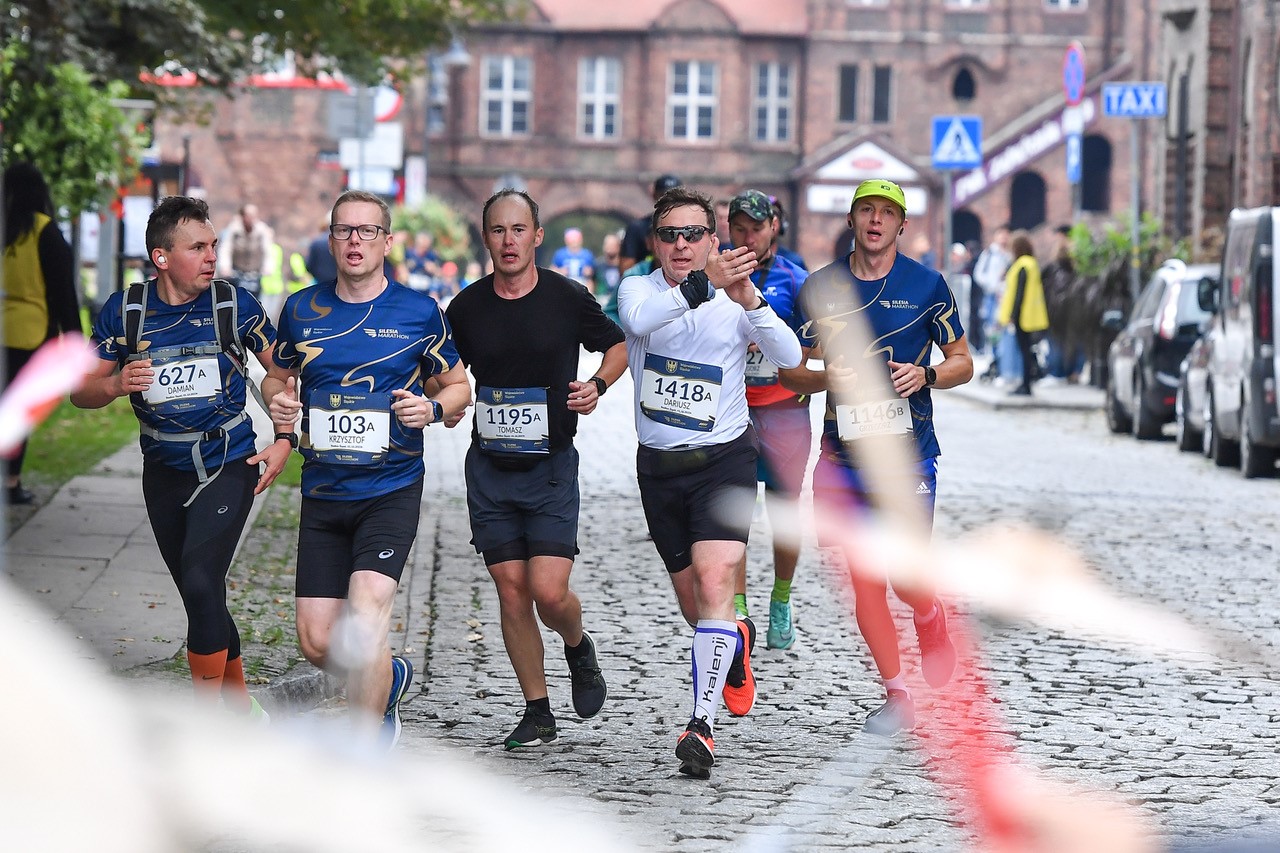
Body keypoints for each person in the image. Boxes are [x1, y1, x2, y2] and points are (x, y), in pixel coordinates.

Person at [263, 190, 471, 750]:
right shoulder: (302, 309)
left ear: (386, 241)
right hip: (324, 490)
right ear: (330, 240)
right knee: (316, 640)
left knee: (366, 612)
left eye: (366, 231)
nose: (355, 241)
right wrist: (278, 406)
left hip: (390, 486)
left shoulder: (419, 311)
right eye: (344, 231)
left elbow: (459, 388)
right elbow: (275, 379)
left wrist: (430, 408)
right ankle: (390, 677)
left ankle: (362, 763)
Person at [71, 195, 291, 717]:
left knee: (198, 580)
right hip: (163, 470)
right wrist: (117, 383)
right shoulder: (125, 311)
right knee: (203, 592)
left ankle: (210, 727)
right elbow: (79, 391)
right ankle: (241, 715)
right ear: (162, 257)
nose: (213, 255)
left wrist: (284, 428)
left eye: (214, 244)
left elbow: (280, 369)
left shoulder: (232, 305)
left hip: (228, 461)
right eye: (198, 247)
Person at [617, 186, 802, 779]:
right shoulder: (638, 291)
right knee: (697, 608)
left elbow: (789, 353)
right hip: (660, 470)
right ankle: (735, 643)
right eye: (669, 234)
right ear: (655, 243)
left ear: (712, 241)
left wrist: (747, 297)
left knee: (717, 575)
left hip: (724, 461)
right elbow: (641, 321)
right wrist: (706, 285)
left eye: (693, 234)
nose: (681, 244)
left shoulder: (735, 299)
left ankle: (701, 724)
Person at [779, 178, 971, 737]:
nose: (876, 221)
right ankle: (897, 693)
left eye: (887, 212)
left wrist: (927, 373)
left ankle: (929, 615)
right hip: (842, 457)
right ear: (852, 219)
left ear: (902, 225)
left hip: (908, 455)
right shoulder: (820, 287)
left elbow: (963, 360)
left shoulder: (927, 285)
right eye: (867, 210)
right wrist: (821, 376)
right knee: (865, 580)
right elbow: (792, 370)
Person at [445, 189, 627, 750]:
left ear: (537, 235)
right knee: (510, 590)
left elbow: (616, 346)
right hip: (490, 468)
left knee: (549, 591)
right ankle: (537, 709)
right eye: (497, 230)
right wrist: (446, 396)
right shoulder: (467, 307)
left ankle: (577, 645)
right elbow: (443, 371)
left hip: (549, 465)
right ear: (486, 238)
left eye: (518, 229)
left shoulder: (567, 298)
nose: (508, 240)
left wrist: (596, 386)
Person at [725, 189, 811, 649]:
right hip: (734, 413)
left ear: (773, 226)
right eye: (738, 228)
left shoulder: (797, 281)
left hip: (785, 415)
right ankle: (739, 612)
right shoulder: (714, 277)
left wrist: (777, 342)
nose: (746, 236)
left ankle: (780, 598)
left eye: (755, 228)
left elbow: (817, 349)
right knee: (732, 516)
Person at [2, 162, 82, 504]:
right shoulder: (44, 231)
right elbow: (62, 291)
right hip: (30, 333)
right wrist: (76, 339)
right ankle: (11, 483)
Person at [997, 230, 1049, 397]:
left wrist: (1013, 314)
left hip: (1022, 315)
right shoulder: (1030, 263)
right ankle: (1026, 383)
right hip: (1028, 314)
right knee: (1026, 350)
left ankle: (1025, 384)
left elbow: (1019, 293)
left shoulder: (1022, 265)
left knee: (1024, 351)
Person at [1040, 225, 1085, 384]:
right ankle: (1074, 372)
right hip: (1076, 311)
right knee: (1076, 342)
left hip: (1057, 311)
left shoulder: (1054, 266)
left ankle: (1057, 372)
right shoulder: (1080, 265)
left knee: (1057, 341)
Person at [620, 174, 681, 275]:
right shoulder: (638, 228)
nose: (669, 200)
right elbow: (626, 269)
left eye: (675, 196)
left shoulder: (691, 228)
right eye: (664, 195)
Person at [971, 225, 1011, 358]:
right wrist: (991, 285)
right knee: (991, 328)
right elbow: (978, 274)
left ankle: (1003, 358)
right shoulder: (989, 253)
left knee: (1004, 327)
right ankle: (994, 356)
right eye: (1001, 234)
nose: (1004, 237)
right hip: (991, 295)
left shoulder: (1010, 255)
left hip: (1006, 295)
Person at [216, 204, 273, 297]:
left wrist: (267, 267)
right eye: (248, 216)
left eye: (253, 216)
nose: (250, 219)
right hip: (237, 270)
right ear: (242, 216)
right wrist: (225, 267)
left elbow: (267, 249)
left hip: (255, 271)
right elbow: (226, 248)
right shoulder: (234, 229)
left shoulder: (262, 230)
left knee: (256, 296)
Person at [304, 215, 338, 286]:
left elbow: (309, 265)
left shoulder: (316, 242)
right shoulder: (342, 242)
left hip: (319, 282)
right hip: (338, 284)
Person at [597, 232, 622, 302]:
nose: (609, 247)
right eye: (607, 244)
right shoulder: (598, 265)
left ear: (618, 246)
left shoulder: (623, 266)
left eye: (612, 245)